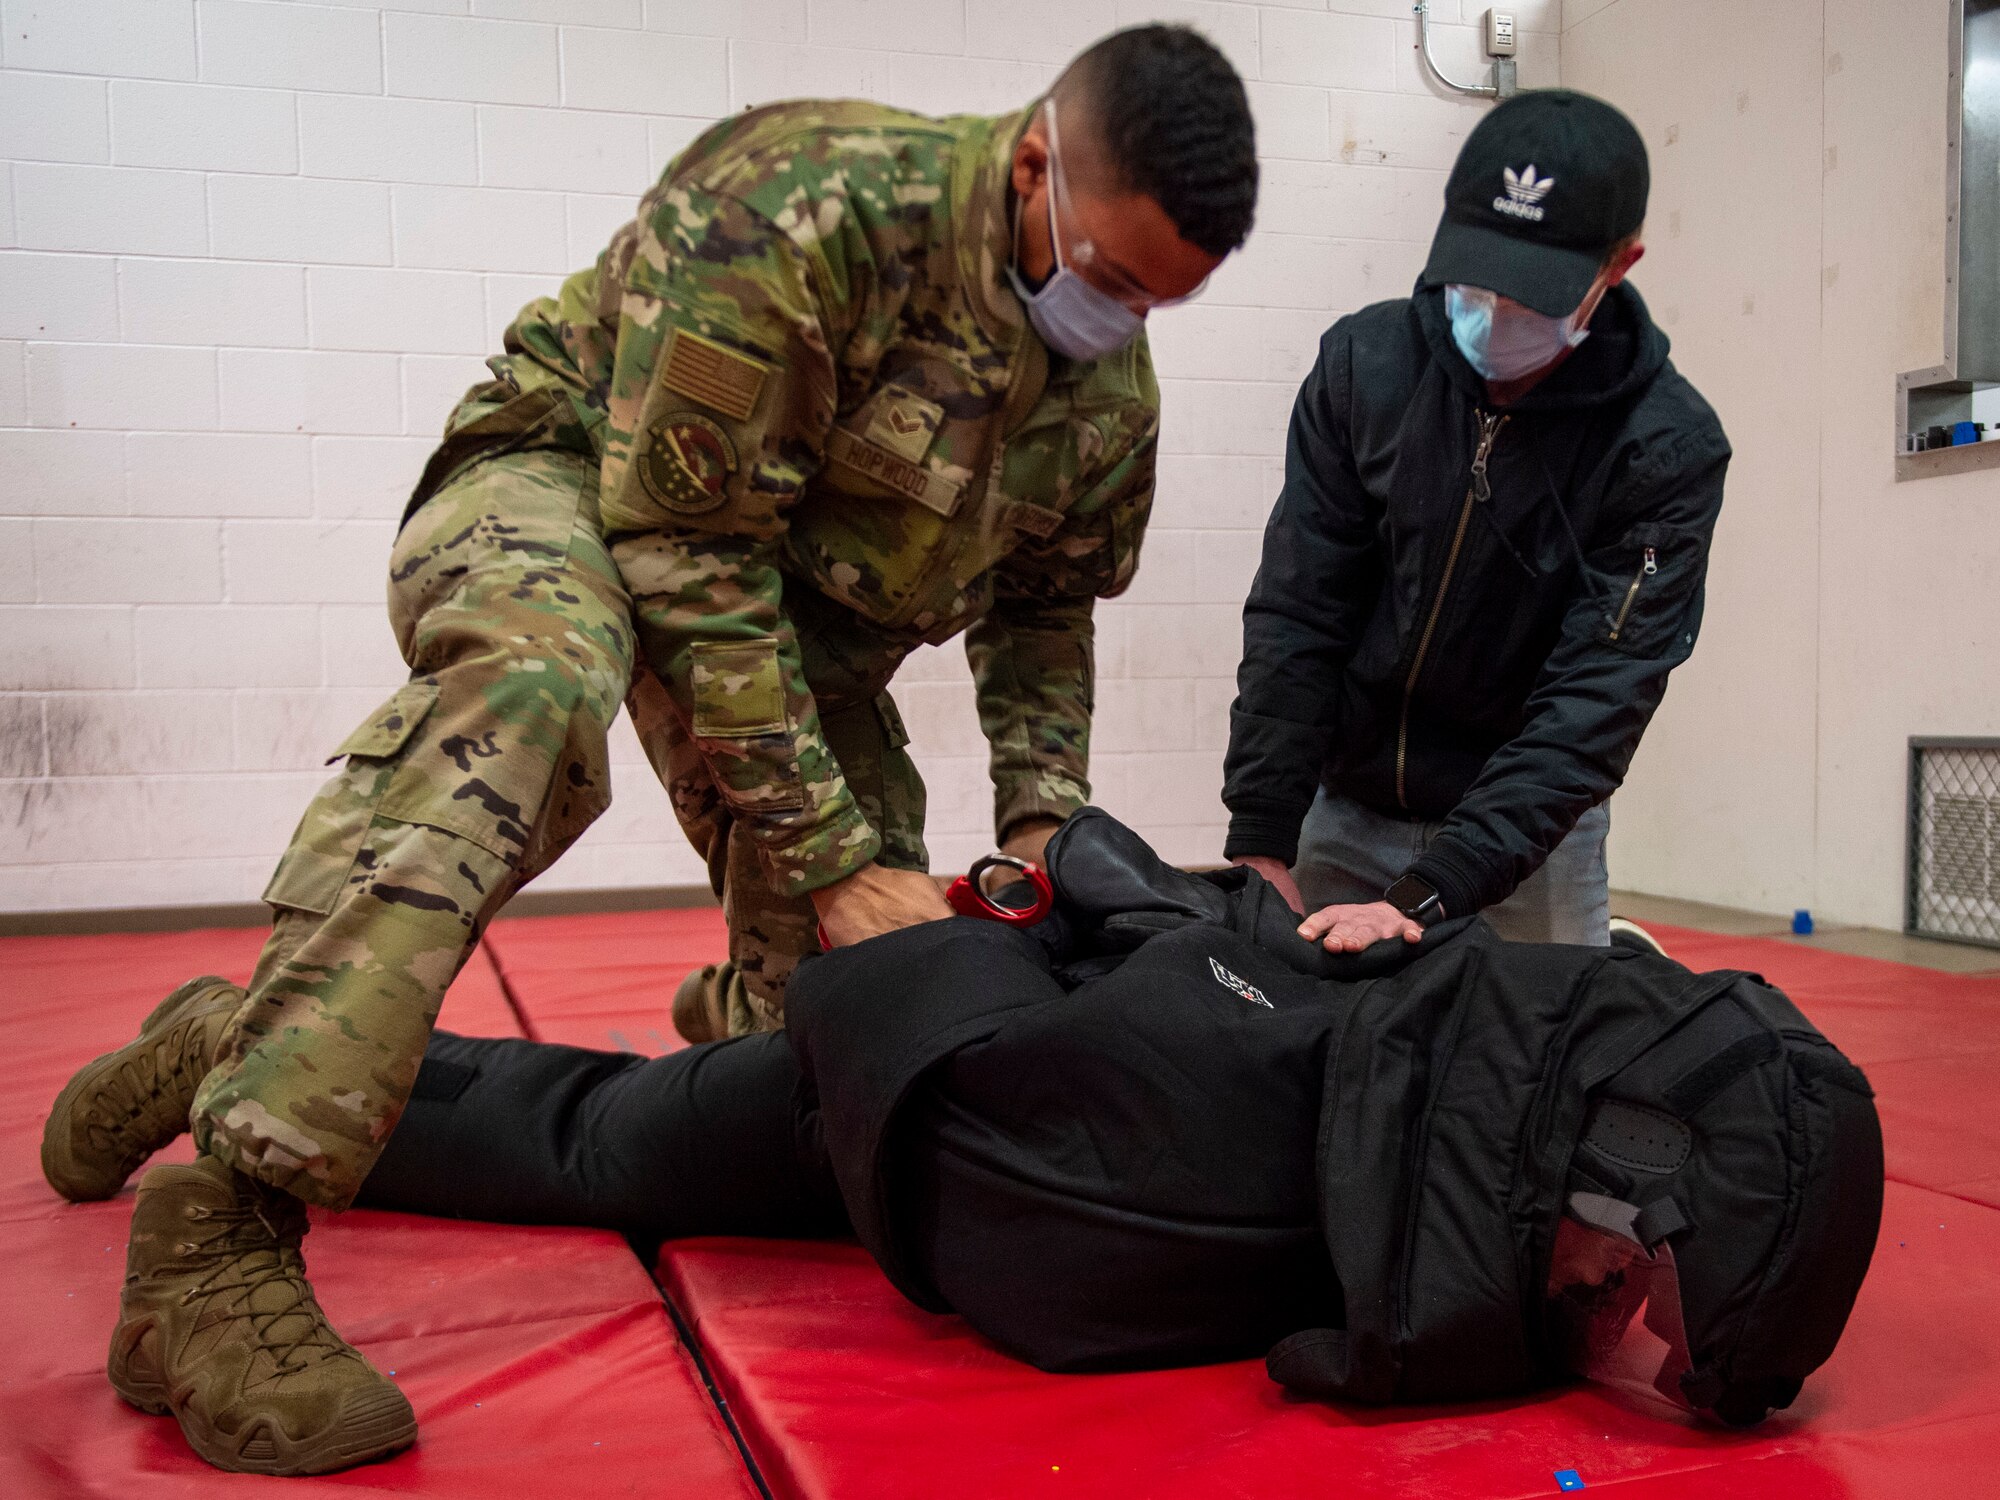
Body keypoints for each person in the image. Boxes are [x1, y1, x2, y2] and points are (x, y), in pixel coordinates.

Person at [39, 26, 1257, 1476]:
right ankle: (219, 1239)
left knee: (870, 1022)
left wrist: (1045, 817)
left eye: (1154, 304)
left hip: (784, 621)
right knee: (538, 691)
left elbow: (1047, 610)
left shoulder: (1107, 391)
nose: (1115, 321)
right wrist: (830, 858)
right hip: (571, 487)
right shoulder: (806, 203)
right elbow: (684, 545)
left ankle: (227, 1045)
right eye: (1109, 278)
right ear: (1038, 164)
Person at [1222, 90, 1730, 955]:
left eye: (1532, 294)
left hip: (1530, 841)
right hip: (1342, 812)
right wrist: (1263, 830)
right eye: (1476, 274)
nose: (1493, 314)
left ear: (1619, 264)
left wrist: (1433, 891)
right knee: (1305, 1061)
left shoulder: (1664, 447)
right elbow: (1301, 611)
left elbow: (1592, 704)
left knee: (1535, 1070)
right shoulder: (1364, 368)